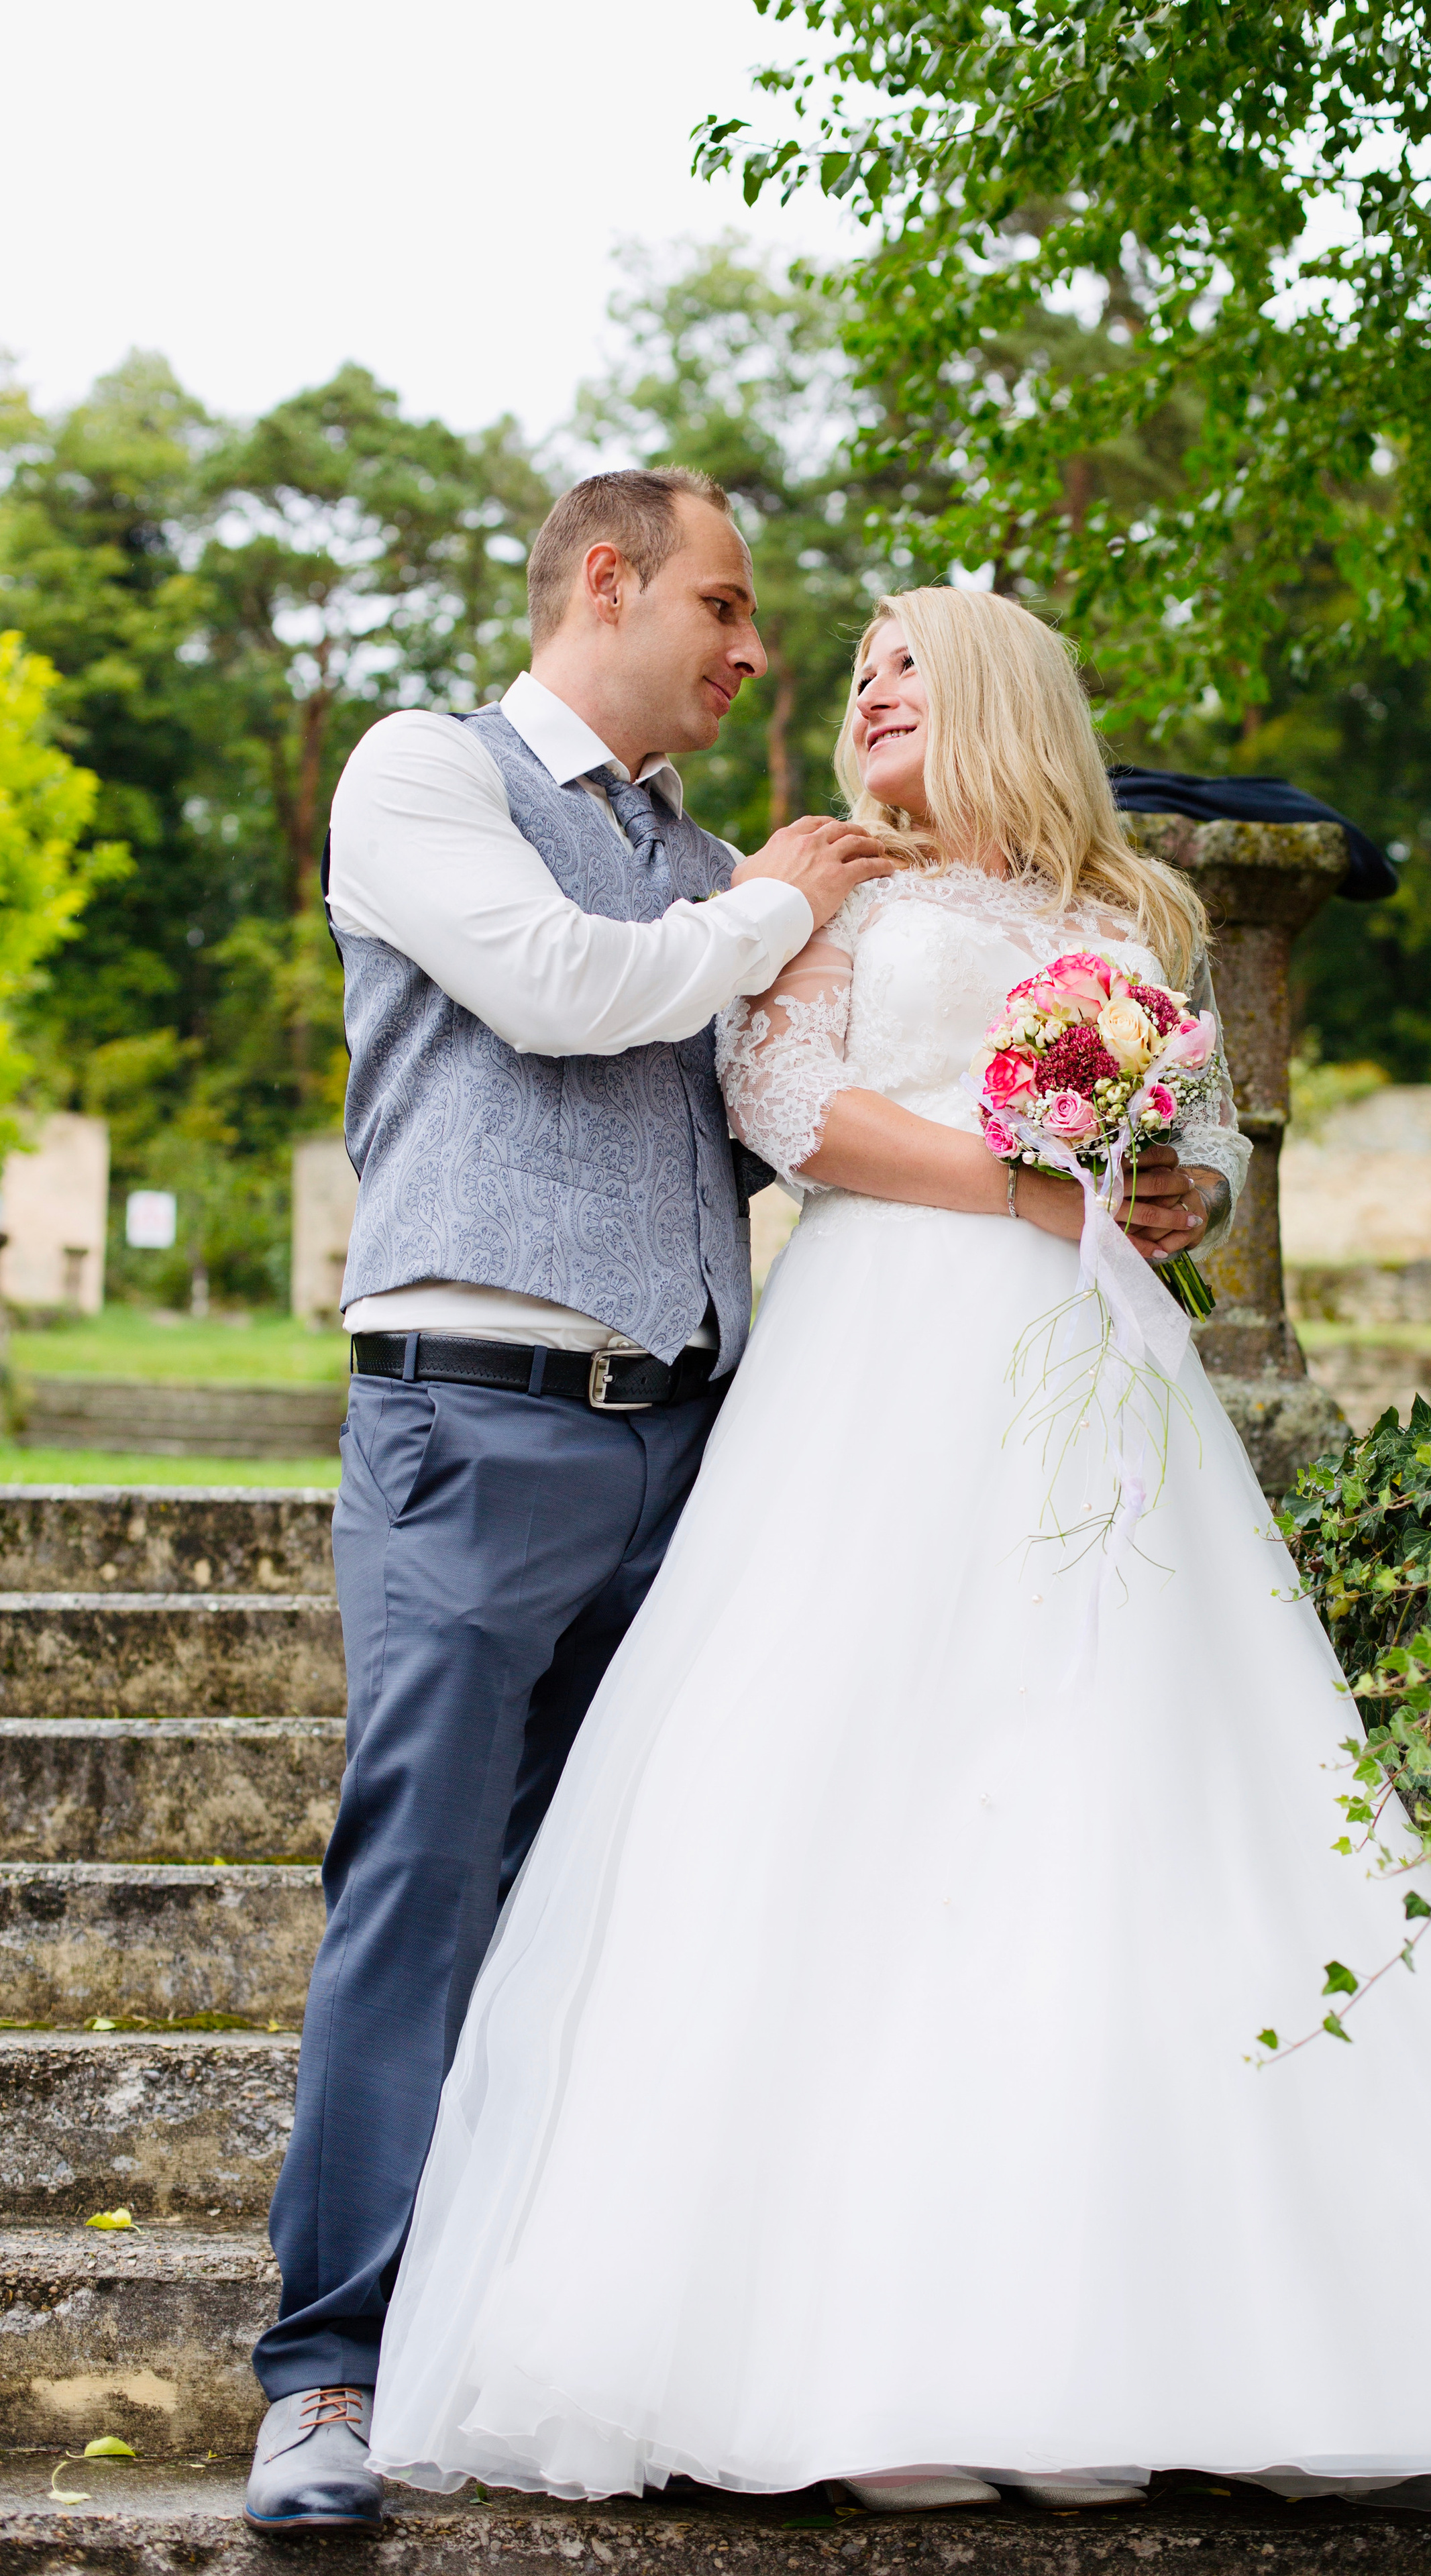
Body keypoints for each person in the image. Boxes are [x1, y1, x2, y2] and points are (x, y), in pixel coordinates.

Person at [368, 588, 1431, 2511]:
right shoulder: (831, 885)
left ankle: (1156, 2333)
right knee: (849, 1772)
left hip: (1095, 1360)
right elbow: (784, 1107)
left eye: (904, 664)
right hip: (880, 1357)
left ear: (1001, 689)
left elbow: (1204, 1146)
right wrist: (1017, 1186)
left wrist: (1174, 1189)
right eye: (860, 677)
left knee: (1126, 1779)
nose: (867, 694)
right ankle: (837, 2345)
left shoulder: (1139, 911)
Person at [244, 467, 908, 2534]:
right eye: (722, 604)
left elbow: (792, 1120)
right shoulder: (423, 774)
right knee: (423, 1892)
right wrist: (780, 908)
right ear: (603, 581)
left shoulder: (710, 868)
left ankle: (549, 2350)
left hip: (697, 1449)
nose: (754, 650)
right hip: (477, 1424)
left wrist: (1093, 1138)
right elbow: (555, 985)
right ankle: (326, 2376)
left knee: (635, 1908)